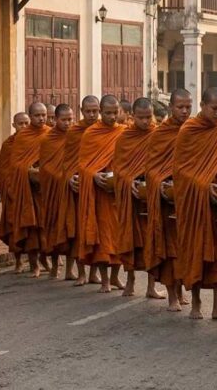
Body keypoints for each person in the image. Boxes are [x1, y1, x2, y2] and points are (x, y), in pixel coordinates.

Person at [174, 87, 217, 320]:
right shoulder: (189, 130)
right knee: (196, 251)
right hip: (195, 202)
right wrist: (202, 185)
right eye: (214, 108)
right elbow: (181, 169)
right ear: (202, 105)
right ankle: (196, 304)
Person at [72, 95, 126, 293]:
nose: (112, 117)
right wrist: (93, 176)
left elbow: (129, 161)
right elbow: (83, 165)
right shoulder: (91, 134)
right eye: (108, 113)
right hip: (100, 194)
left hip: (117, 193)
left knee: (119, 237)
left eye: (115, 112)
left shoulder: (123, 132)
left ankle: (115, 277)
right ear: (102, 113)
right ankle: (104, 279)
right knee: (103, 238)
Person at [143, 89, 191, 311]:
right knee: (171, 249)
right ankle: (173, 295)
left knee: (185, 249)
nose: (184, 111)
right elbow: (151, 169)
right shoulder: (160, 134)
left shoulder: (196, 132)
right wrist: (161, 183)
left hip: (189, 199)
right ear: (171, 107)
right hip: (167, 199)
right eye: (180, 107)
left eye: (188, 107)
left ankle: (182, 291)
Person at [111, 97, 163, 299]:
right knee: (131, 239)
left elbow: (162, 164)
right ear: (132, 117)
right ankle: (130, 281)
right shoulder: (125, 138)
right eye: (140, 118)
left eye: (148, 117)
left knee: (151, 241)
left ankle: (151, 286)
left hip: (150, 195)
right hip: (131, 196)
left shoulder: (157, 135)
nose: (145, 122)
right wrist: (128, 180)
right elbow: (119, 168)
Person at [2, 103, 51, 278]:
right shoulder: (23, 138)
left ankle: (45, 260)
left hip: (44, 191)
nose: (42, 118)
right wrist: (28, 170)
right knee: (31, 229)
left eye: (44, 115)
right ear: (31, 116)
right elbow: (15, 166)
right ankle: (33, 265)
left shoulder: (49, 134)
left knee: (45, 228)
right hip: (27, 190)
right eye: (37, 115)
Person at [59, 96, 102, 285]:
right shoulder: (74, 131)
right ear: (81, 110)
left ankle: (94, 273)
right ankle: (81, 272)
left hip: (97, 187)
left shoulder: (101, 131)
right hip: (77, 188)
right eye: (88, 111)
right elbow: (66, 163)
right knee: (79, 231)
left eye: (95, 111)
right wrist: (69, 178)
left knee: (94, 230)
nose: (92, 115)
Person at [37, 104, 74, 279]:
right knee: (53, 228)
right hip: (53, 191)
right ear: (56, 119)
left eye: (70, 119)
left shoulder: (76, 137)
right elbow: (46, 167)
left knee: (71, 229)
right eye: (64, 120)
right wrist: (62, 176)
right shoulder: (47, 139)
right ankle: (53, 267)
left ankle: (69, 270)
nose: (68, 123)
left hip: (71, 191)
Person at [0, 111, 31, 272]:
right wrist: (9, 189)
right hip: (13, 192)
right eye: (20, 124)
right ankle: (18, 261)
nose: (23, 127)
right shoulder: (8, 145)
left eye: (26, 123)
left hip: (30, 193)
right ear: (14, 125)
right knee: (14, 227)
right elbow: (4, 171)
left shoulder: (34, 143)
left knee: (33, 230)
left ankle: (35, 262)